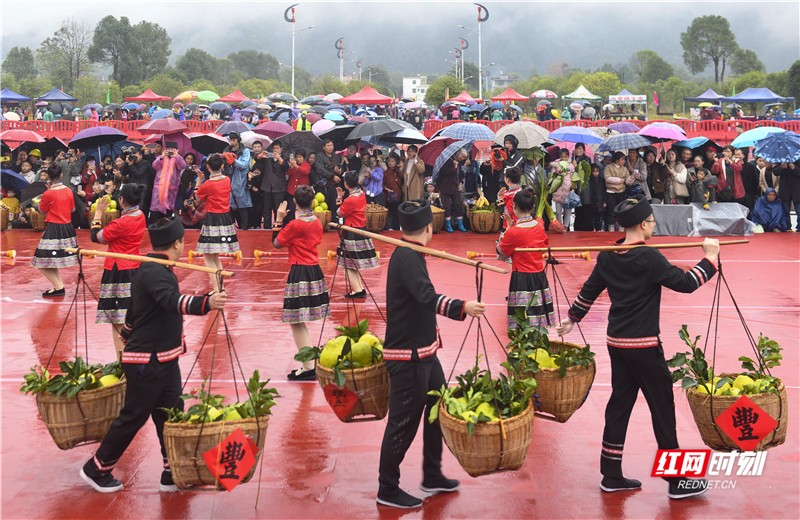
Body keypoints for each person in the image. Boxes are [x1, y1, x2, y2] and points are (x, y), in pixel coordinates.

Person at [556, 196, 719, 500]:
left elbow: (589, 291)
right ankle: (676, 479)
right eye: (653, 222)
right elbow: (684, 283)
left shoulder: (609, 255)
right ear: (643, 224)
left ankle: (611, 473)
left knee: (620, 404)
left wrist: (571, 319)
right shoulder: (649, 257)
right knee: (662, 408)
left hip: (617, 343)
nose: (654, 226)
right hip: (643, 346)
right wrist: (709, 258)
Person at [80, 217, 227, 494]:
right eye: (183, 242)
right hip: (147, 361)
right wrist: (207, 303)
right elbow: (171, 302)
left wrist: (127, 331)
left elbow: (135, 310)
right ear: (177, 243)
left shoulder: (153, 268)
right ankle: (97, 469)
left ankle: (172, 471)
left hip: (165, 358)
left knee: (170, 415)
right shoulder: (155, 272)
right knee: (134, 416)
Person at [377, 200, 486, 509]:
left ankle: (432, 472)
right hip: (407, 356)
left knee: (438, 407)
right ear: (428, 228)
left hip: (426, 352)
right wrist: (462, 307)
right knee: (403, 422)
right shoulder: (408, 257)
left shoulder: (410, 253)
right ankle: (387, 487)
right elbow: (427, 297)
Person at [272, 185, 330, 381]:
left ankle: (308, 365)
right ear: (313, 202)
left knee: (296, 320)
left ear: (295, 201)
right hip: (314, 268)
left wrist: (279, 219)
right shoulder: (316, 221)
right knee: (298, 320)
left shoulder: (295, 225)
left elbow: (276, 243)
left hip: (299, 270)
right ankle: (309, 363)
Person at [90, 184, 147, 356]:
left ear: (121, 200)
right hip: (134, 266)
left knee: (118, 320)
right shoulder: (141, 216)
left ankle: (122, 359)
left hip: (118, 269)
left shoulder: (121, 223)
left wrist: (98, 213)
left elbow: (97, 237)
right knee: (132, 316)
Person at [497, 188, 554, 329]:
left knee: (521, 318)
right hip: (538, 275)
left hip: (521, 276)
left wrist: (508, 230)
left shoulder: (515, 232)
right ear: (532, 207)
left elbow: (502, 251)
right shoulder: (539, 227)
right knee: (537, 315)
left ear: (514, 207)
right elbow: (544, 246)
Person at [195, 154, 240, 292]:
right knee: (214, 256)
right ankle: (220, 287)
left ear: (208, 167)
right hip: (226, 219)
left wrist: (199, 179)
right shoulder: (226, 180)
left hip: (213, 220)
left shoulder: (208, 184)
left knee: (208, 256)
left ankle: (217, 289)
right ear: (222, 166)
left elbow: (197, 198)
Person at [31, 164, 78, 297]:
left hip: (54, 227)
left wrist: (39, 202)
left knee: (41, 260)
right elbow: (72, 209)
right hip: (67, 227)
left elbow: (42, 211)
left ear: (48, 177)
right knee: (51, 259)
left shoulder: (48, 193)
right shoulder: (69, 191)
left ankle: (58, 287)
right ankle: (58, 286)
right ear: (61, 175)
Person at [335, 171, 379, 299]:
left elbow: (339, 213)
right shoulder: (362, 195)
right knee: (352, 264)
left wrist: (339, 198)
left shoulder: (350, 200)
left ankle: (358, 290)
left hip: (351, 232)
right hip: (360, 229)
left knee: (347, 265)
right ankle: (358, 288)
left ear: (346, 185)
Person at [149, 142, 185, 222]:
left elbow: (182, 166)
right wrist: (162, 157)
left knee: (168, 209)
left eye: (172, 149)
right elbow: (154, 166)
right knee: (155, 210)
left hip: (171, 189)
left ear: (176, 150)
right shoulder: (160, 157)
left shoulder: (178, 158)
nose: (170, 151)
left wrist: (177, 156)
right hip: (159, 188)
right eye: (169, 149)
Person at [224, 132, 252, 230]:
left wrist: (233, 160)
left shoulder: (245, 151)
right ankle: (233, 227)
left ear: (238, 140)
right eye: (231, 140)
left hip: (241, 181)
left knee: (242, 206)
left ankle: (244, 226)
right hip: (228, 180)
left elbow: (244, 165)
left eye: (234, 140)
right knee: (231, 206)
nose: (232, 142)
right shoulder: (226, 150)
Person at [260, 141, 288, 230]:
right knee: (267, 211)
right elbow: (257, 159)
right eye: (274, 148)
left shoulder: (284, 158)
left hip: (279, 188)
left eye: (278, 148)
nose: (276, 150)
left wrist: (279, 158)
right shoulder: (268, 157)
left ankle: (278, 227)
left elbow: (286, 167)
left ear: (281, 149)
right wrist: (260, 156)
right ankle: (266, 228)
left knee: (278, 210)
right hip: (267, 187)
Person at [435, 151, 466, 232]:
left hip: (455, 187)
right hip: (445, 187)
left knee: (458, 205)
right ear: (458, 154)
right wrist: (455, 167)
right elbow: (445, 173)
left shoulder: (459, 163)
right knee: (447, 207)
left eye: (464, 157)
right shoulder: (447, 161)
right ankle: (448, 225)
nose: (462, 159)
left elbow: (461, 175)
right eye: (462, 156)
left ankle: (460, 224)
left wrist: (460, 183)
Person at [313, 139, 343, 215]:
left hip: (334, 186)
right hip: (323, 186)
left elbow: (340, 168)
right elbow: (320, 169)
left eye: (332, 145)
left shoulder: (336, 156)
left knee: (334, 205)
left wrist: (339, 171)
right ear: (324, 147)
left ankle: (334, 222)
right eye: (328, 145)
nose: (330, 147)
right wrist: (332, 175)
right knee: (324, 206)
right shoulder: (319, 156)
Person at [604, 152, 630, 231]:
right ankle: (611, 229)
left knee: (621, 211)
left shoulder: (625, 169)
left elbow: (628, 181)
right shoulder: (608, 167)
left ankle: (621, 229)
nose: (624, 161)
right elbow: (608, 179)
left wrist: (632, 178)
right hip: (611, 192)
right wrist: (621, 180)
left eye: (624, 159)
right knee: (611, 211)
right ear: (617, 160)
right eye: (622, 159)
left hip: (621, 192)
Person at [550, 153, 575, 231]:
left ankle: (565, 226)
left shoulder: (571, 166)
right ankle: (559, 226)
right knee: (558, 212)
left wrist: (572, 186)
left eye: (565, 157)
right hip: (558, 190)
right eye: (562, 156)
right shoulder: (556, 165)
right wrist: (557, 173)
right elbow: (551, 176)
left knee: (568, 211)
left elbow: (573, 177)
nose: (563, 158)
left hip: (568, 190)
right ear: (559, 156)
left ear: (568, 157)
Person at [285, 150, 311, 222]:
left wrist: (296, 166)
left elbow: (305, 171)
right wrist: (290, 167)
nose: (298, 159)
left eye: (300, 157)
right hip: (291, 190)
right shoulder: (293, 164)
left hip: (302, 192)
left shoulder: (307, 165)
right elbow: (287, 174)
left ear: (303, 158)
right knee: (291, 209)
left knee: (303, 209)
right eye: (297, 157)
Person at [774, 161, 800, 231]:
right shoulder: (781, 158)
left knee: (799, 211)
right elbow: (775, 172)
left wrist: (795, 168)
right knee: (785, 212)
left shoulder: (798, 157)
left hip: (797, 190)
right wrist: (781, 167)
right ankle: (787, 227)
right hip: (785, 190)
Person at [383, 153, 404, 230]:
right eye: (389, 161)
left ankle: (396, 227)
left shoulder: (398, 172)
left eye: (393, 161)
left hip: (398, 195)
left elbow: (403, 180)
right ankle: (389, 226)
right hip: (389, 195)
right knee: (389, 211)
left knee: (397, 212)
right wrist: (387, 189)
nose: (390, 163)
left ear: (396, 162)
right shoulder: (385, 172)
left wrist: (401, 168)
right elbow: (382, 184)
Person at [588, 164, 607, 231]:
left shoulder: (602, 180)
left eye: (597, 171)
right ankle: (592, 228)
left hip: (600, 200)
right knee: (592, 216)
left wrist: (605, 201)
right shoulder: (589, 180)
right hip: (592, 200)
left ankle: (598, 229)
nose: (595, 173)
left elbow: (604, 191)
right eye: (594, 171)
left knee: (599, 216)